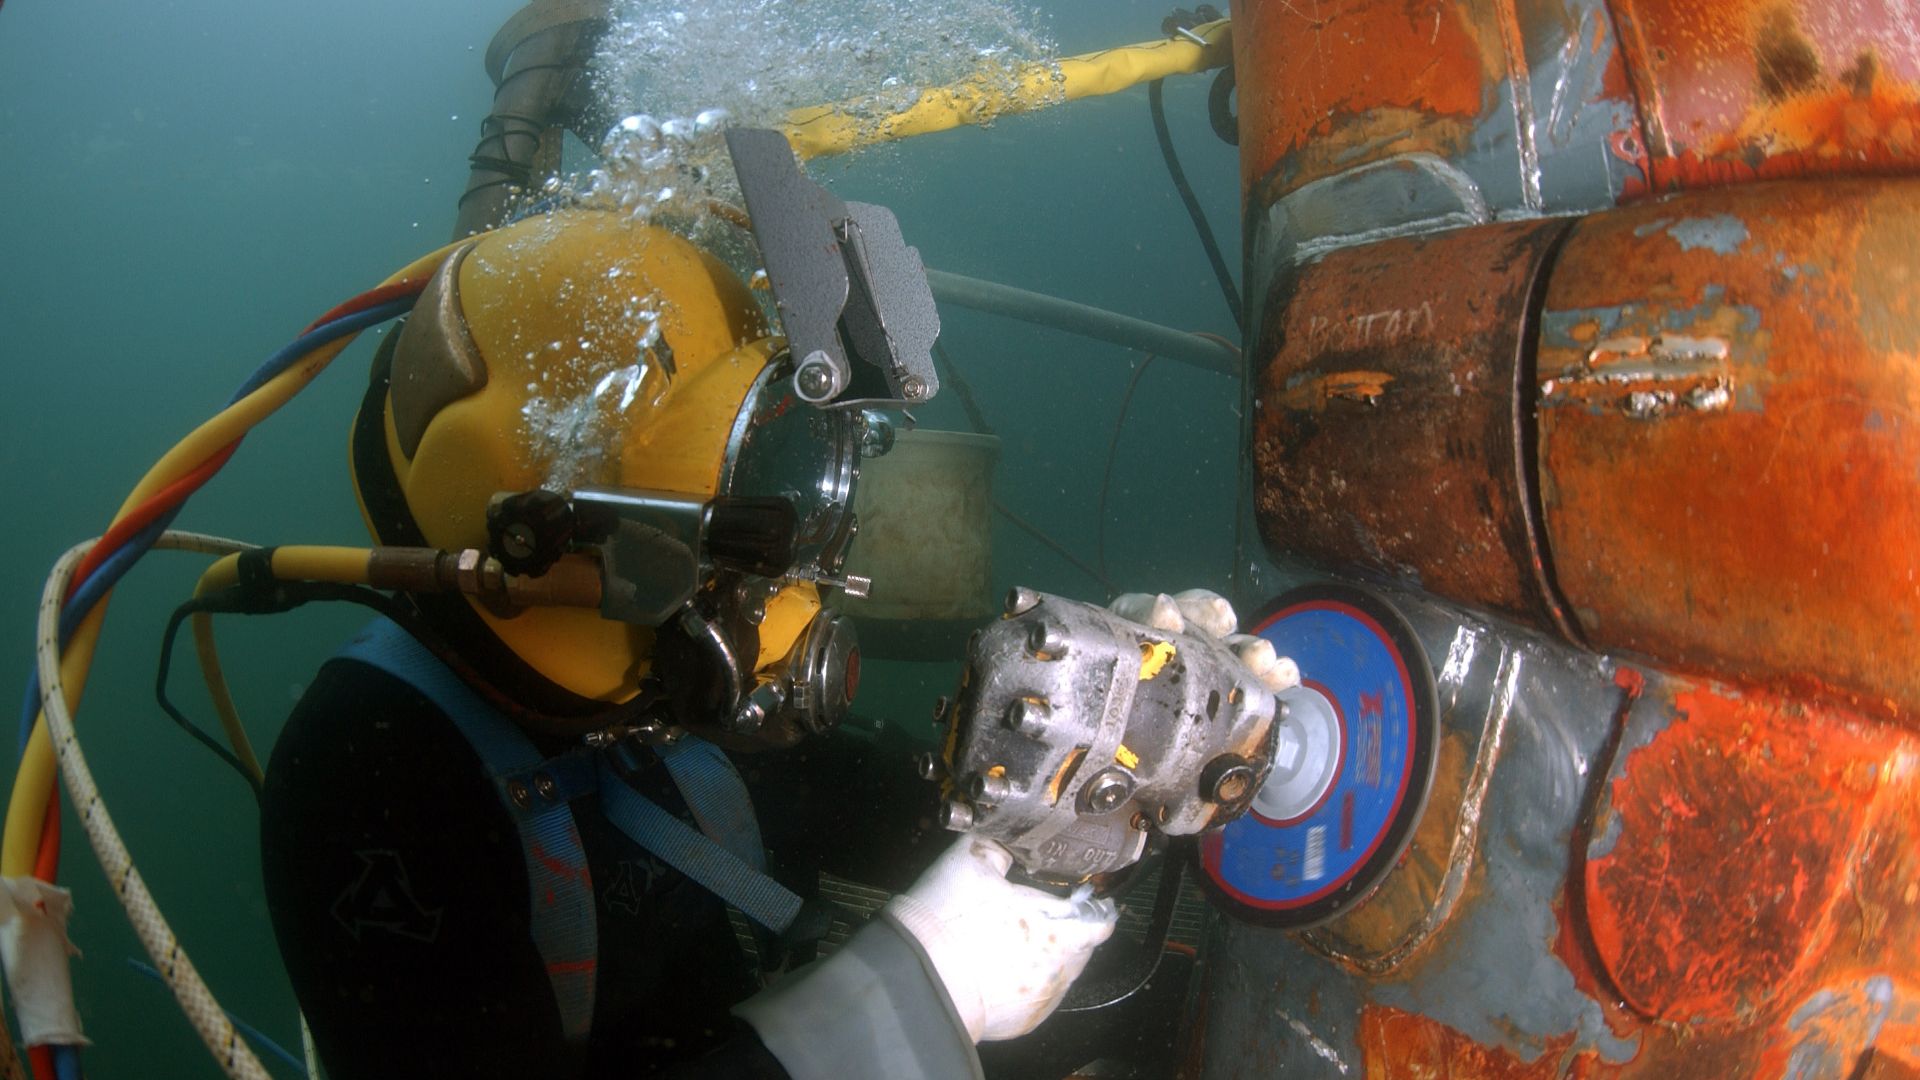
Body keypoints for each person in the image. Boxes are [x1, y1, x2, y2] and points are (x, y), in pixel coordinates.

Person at [254, 204, 1278, 1079]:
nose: (783, 603)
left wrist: (1108, 758)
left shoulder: (668, 684)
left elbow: (910, 828)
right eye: (738, 529)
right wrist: (905, 1002)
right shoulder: (369, 778)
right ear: (543, 541)